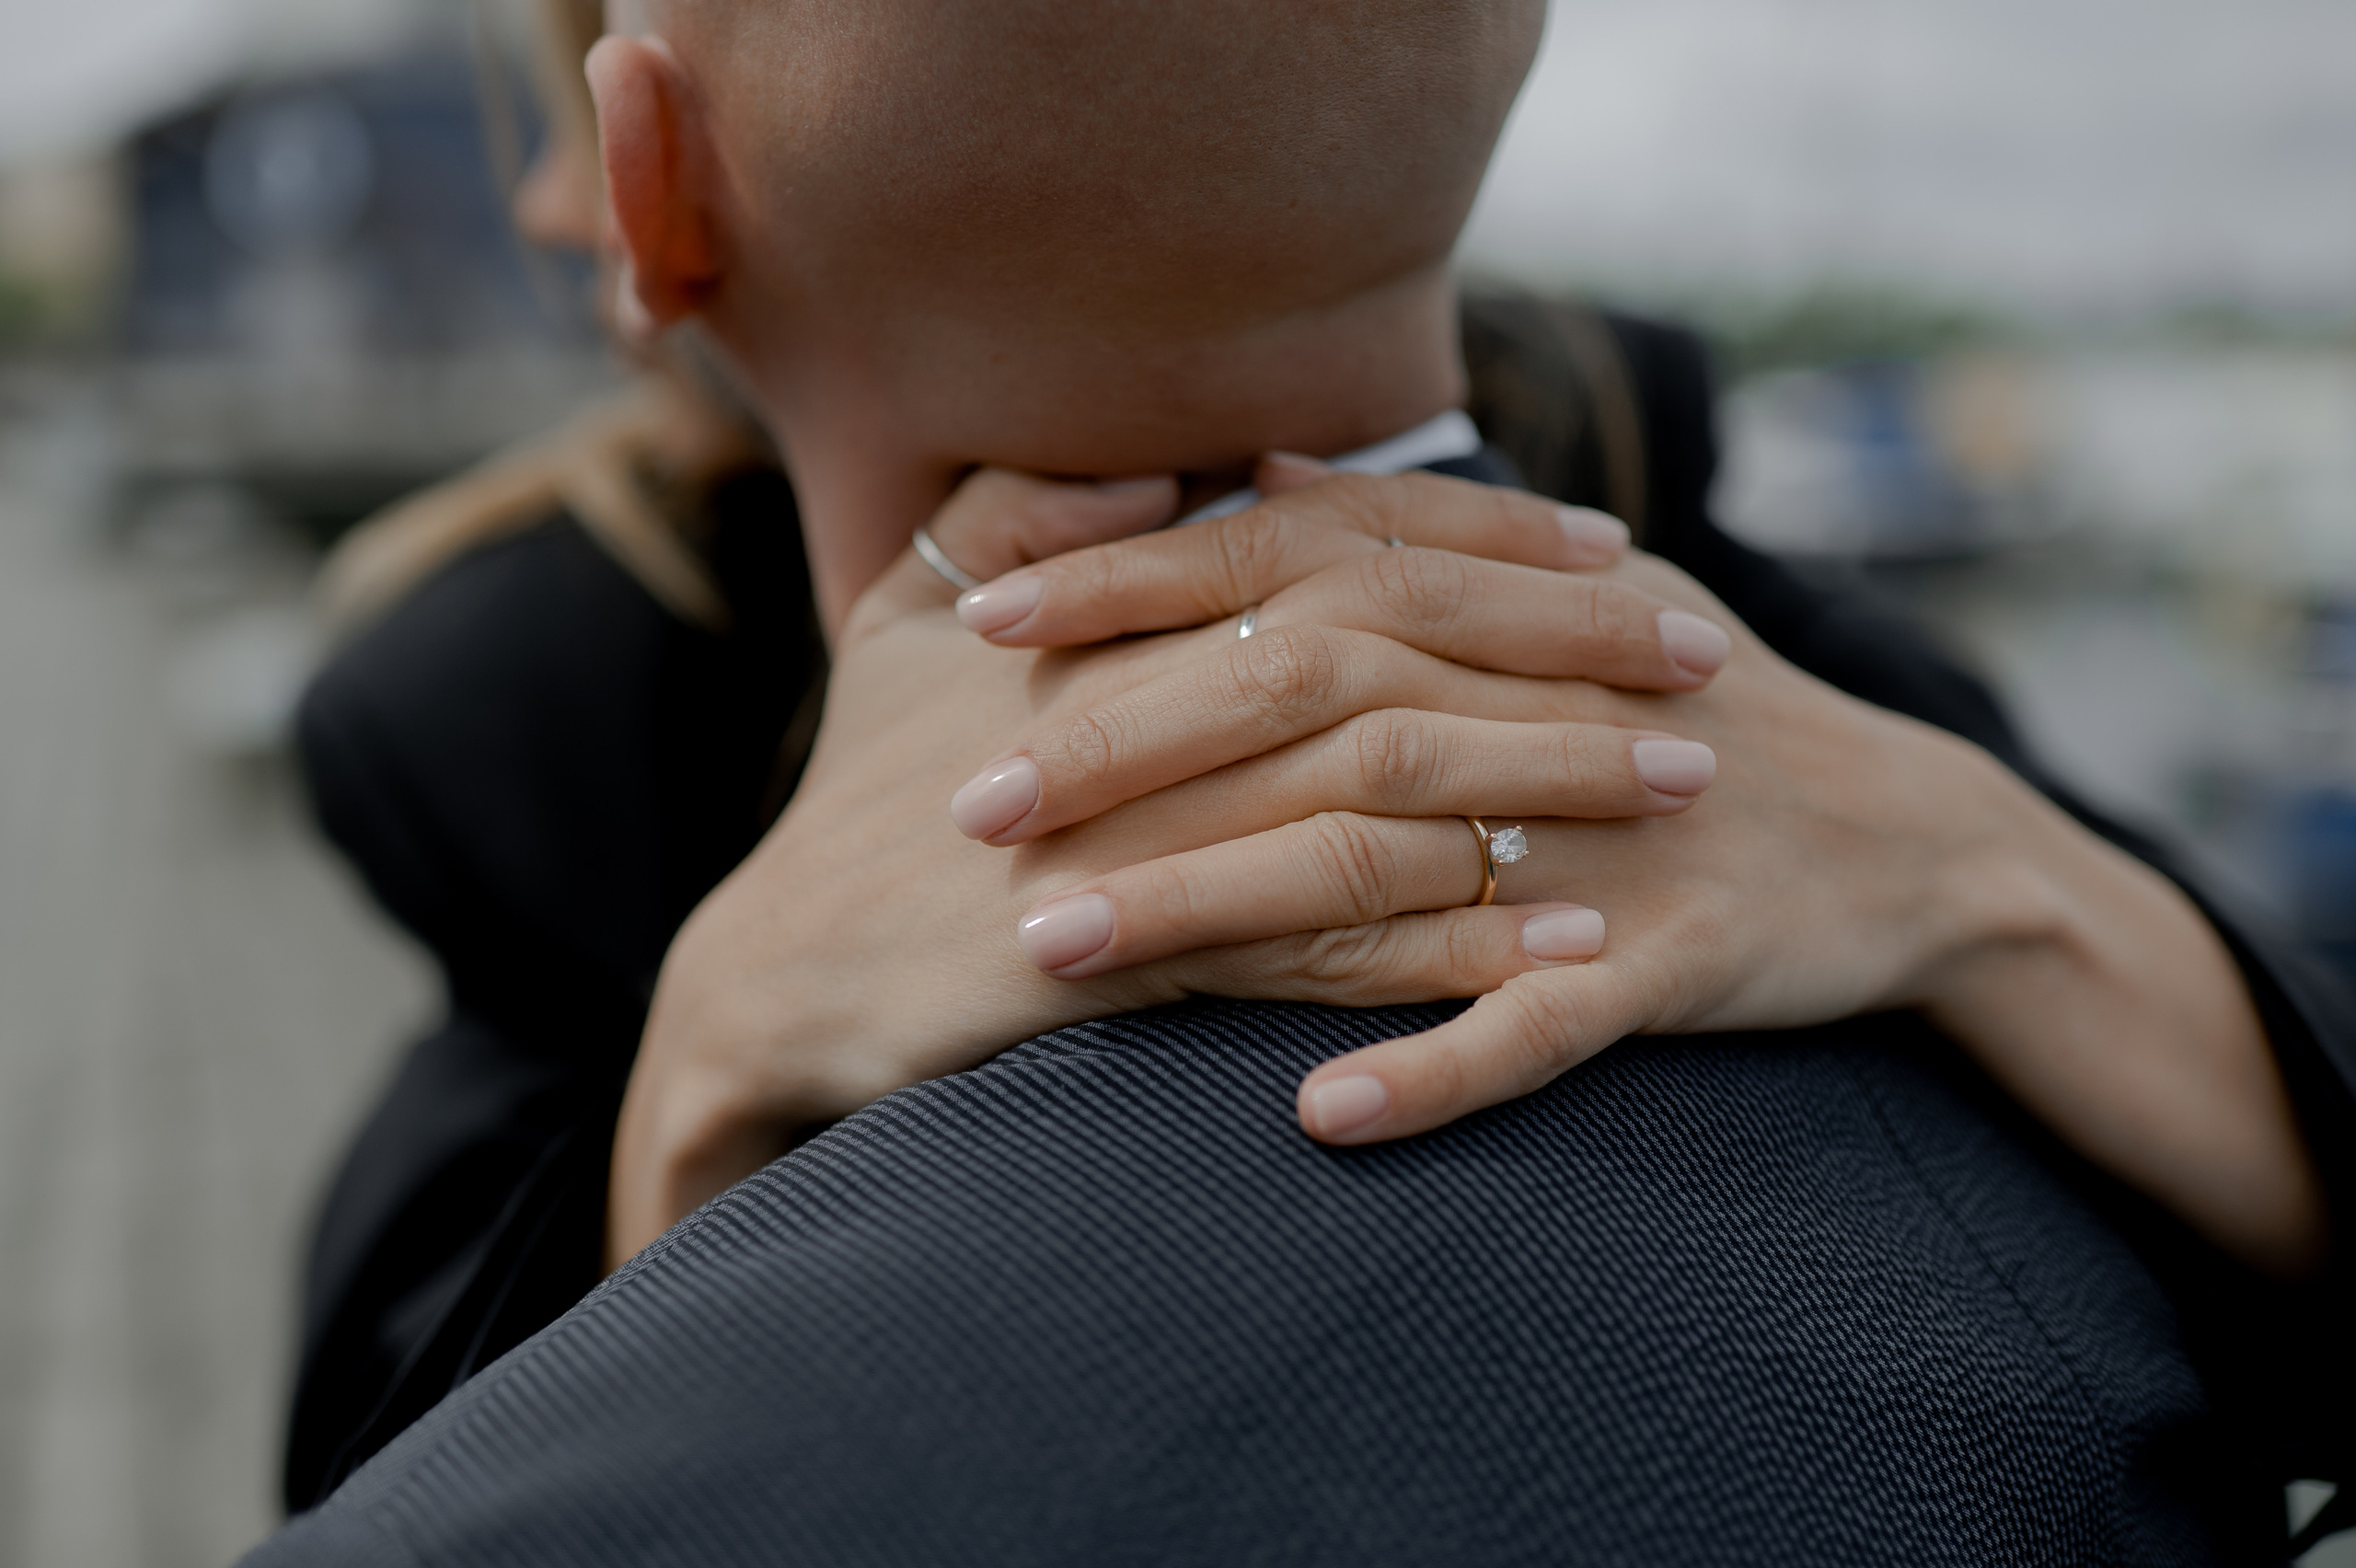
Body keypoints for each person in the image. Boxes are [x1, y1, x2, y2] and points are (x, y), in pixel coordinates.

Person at [256, 1, 2355, 1561]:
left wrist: (2012, 888)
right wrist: (705, 1066)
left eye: (543, 103)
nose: (533, 203)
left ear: (642, 185)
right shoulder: (531, 741)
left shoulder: (1729, 633)